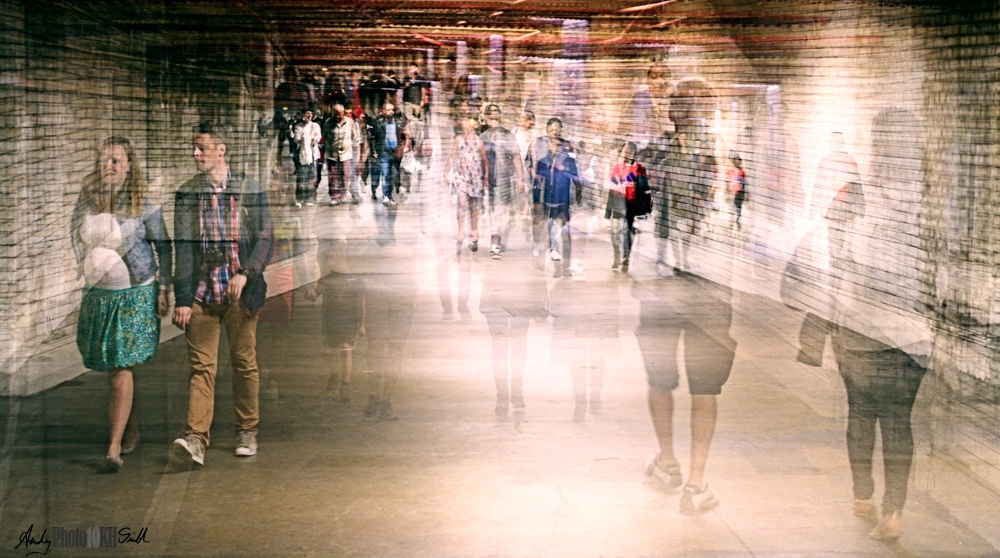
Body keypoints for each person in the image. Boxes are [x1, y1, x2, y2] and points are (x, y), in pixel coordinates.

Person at [172, 122, 275, 466]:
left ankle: (247, 430)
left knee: (244, 362)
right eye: (194, 148)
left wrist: (246, 274)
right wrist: (183, 299)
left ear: (221, 150)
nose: (195, 154)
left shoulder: (249, 189)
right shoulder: (187, 194)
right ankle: (196, 439)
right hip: (203, 292)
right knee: (202, 369)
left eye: (201, 148)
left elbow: (265, 238)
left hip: (239, 295)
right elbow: (183, 250)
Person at [71, 137, 172, 471]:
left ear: (130, 165)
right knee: (113, 364)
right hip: (100, 296)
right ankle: (130, 429)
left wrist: (164, 289)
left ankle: (112, 447)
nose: (109, 166)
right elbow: (76, 235)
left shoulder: (145, 204)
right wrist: (84, 270)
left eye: (116, 160)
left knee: (121, 366)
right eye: (104, 160)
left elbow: (165, 247)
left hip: (134, 295)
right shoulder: (88, 200)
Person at [634, 276, 737, 514]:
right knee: (704, 389)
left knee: (660, 381)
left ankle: (667, 462)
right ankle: (696, 483)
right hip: (709, 292)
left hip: (659, 290)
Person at [525, 118, 578, 272]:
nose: (554, 132)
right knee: (539, 217)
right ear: (546, 129)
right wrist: (533, 174)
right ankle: (536, 244)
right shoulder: (537, 143)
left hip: (560, 187)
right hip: (541, 186)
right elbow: (527, 162)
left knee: (556, 218)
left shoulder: (567, 146)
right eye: (552, 129)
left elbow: (574, 167)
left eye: (557, 129)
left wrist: (578, 185)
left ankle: (553, 248)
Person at [480, 104, 525, 259]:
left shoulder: (507, 135)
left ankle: (495, 245)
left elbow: (516, 157)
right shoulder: (481, 135)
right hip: (482, 180)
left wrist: (520, 178)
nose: (494, 121)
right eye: (491, 118)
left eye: (496, 118)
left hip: (501, 180)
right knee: (488, 212)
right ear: (485, 118)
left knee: (497, 212)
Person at [445, 116, 488, 253]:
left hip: (475, 177)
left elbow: (484, 160)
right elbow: (452, 156)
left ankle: (474, 232)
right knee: (462, 202)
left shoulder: (479, 141)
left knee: (473, 205)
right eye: (463, 120)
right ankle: (461, 231)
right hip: (461, 176)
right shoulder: (458, 140)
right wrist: (446, 172)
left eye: (467, 120)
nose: (464, 123)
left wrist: (486, 176)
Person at [606, 141, 650, 271]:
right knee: (614, 232)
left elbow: (645, 188)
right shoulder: (617, 168)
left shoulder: (640, 169)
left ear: (634, 153)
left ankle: (626, 257)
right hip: (617, 202)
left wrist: (646, 207)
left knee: (627, 231)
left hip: (631, 205)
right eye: (626, 150)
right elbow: (612, 187)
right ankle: (617, 256)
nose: (628, 153)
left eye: (631, 150)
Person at [363, 102, 410, 206]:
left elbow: (404, 136)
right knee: (386, 174)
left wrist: (402, 147)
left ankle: (391, 195)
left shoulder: (398, 122)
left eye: (392, 110)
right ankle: (386, 196)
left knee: (394, 174)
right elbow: (374, 138)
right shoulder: (378, 122)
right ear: (383, 111)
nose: (391, 112)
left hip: (396, 153)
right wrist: (374, 151)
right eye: (388, 110)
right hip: (384, 152)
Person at [323, 103, 358, 206]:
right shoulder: (328, 122)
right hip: (331, 153)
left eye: (339, 114)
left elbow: (353, 136)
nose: (337, 116)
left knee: (346, 174)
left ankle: (343, 193)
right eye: (335, 114)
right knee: (333, 175)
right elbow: (325, 135)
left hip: (346, 153)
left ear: (343, 112)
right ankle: (334, 197)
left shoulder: (350, 122)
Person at [293, 108, 322, 207]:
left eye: (311, 113)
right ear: (303, 115)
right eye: (307, 113)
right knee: (301, 178)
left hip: (313, 155)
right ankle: (299, 199)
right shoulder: (298, 126)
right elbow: (297, 138)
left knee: (311, 178)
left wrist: (306, 138)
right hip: (302, 155)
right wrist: (309, 138)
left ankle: (309, 199)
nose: (309, 115)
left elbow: (317, 138)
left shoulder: (316, 125)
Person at [726, 152, 747, 228]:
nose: (738, 162)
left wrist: (746, 193)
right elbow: (727, 181)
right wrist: (727, 191)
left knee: (738, 208)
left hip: (740, 193)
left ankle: (737, 221)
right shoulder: (730, 171)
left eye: (739, 160)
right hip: (732, 192)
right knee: (731, 207)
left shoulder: (742, 172)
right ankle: (731, 222)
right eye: (736, 160)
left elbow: (745, 183)